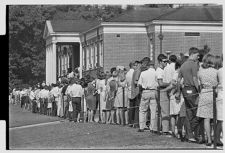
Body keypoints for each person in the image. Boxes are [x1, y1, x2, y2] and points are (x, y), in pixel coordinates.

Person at [176, 47, 200, 142]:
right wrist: (199, 90)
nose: (198, 57)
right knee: (198, 112)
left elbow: (178, 81)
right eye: (197, 55)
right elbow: (195, 79)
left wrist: (178, 91)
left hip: (184, 90)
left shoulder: (183, 65)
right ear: (193, 54)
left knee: (188, 113)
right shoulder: (193, 64)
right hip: (192, 90)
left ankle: (189, 135)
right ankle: (192, 133)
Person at [196, 54, 218, 146]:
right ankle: (214, 137)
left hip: (204, 93)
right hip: (214, 93)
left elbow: (199, 84)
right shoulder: (216, 71)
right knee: (215, 118)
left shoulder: (200, 72)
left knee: (206, 119)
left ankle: (208, 138)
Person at [137, 58, 158, 132]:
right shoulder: (156, 72)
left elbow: (139, 84)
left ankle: (142, 126)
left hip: (145, 91)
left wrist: (141, 91)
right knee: (153, 110)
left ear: (148, 66)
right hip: (153, 91)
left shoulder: (143, 73)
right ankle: (153, 127)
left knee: (142, 110)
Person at [156, 54, 171, 135]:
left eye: (167, 61)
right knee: (165, 111)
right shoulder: (159, 71)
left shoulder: (163, 70)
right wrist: (169, 83)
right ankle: (165, 130)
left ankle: (158, 128)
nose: (166, 63)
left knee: (161, 111)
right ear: (160, 62)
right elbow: (160, 83)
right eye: (164, 61)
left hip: (162, 91)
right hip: (162, 91)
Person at [213, 55, 223, 146]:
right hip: (221, 95)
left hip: (220, 95)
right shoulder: (220, 71)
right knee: (220, 119)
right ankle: (216, 139)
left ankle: (216, 138)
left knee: (220, 119)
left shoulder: (219, 71)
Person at [131, 61, 142, 128]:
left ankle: (135, 123)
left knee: (136, 108)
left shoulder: (135, 71)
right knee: (137, 108)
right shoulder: (138, 71)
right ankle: (136, 123)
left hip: (134, 91)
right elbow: (136, 81)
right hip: (137, 91)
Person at [126, 62, 135, 127]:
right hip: (133, 90)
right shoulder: (133, 72)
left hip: (129, 90)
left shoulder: (127, 73)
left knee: (130, 106)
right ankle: (133, 121)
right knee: (134, 106)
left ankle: (129, 121)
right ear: (133, 66)